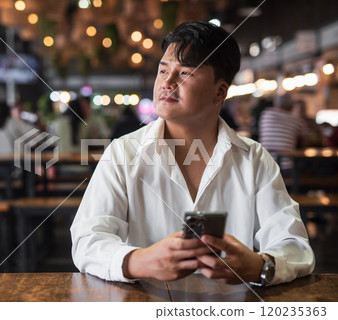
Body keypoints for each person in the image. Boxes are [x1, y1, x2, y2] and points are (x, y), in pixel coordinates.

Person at [71, 22, 314, 285]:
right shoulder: (123, 153)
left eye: (185, 73)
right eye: (163, 70)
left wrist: (259, 266)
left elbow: (294, 245)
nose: (167, 82)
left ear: (220, 91)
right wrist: (139, 261)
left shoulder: (253, 159)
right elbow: (87, 239)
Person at [259, 94, 305, 170]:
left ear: (275, 104)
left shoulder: (266, 114)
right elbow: (303, 142)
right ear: (291, 106)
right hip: (286, 166)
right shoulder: (296, 119)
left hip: (264, 163)